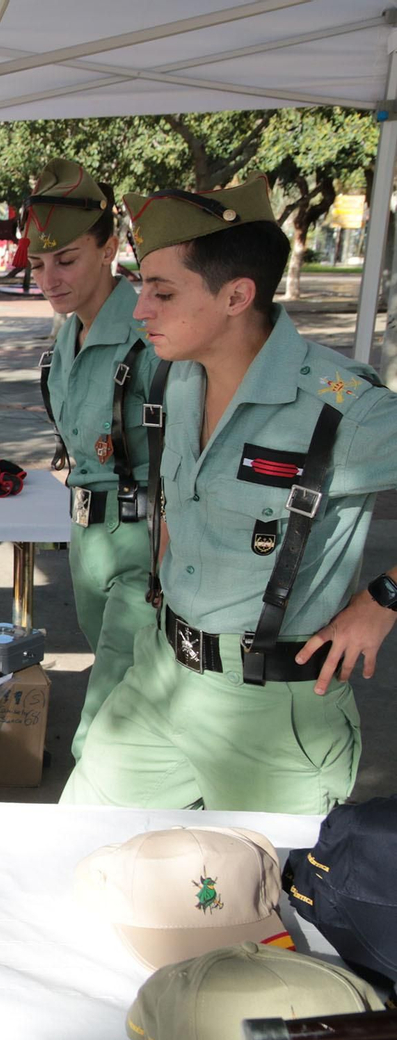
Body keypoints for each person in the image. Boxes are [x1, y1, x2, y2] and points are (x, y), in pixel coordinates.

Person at [61, 175, 397, 814]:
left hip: (266, 712)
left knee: (267, 903)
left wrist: (385, 599)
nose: (140, 310)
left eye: (162, 292)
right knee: (79, 850)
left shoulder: (340, 411)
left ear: (238, 295)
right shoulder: (173, 377)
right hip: (159, 677)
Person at [25, 158, 160, 760]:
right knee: (134, 701)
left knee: (101, 724)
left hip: (144, 545)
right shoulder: (67, 331)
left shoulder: (153, 333)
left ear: (109, 247)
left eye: (67, 260)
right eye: (38, 264)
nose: (49, 279)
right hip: (86, 541)